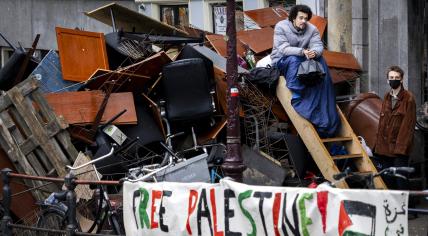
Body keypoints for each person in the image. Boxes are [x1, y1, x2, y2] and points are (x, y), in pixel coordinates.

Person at [271, 4, 340, 137]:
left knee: (321, 61)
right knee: (293, 59)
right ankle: (297, 94)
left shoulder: (312, 29)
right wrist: (302, 52)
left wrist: (314, 52)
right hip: (282, 60)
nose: (304, 21)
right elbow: (283, 49)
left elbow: (318, 45)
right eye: (301, 18)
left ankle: (324, 95)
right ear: (293, 18)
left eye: (306, 18)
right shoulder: (281, 26)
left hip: (304, 59)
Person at [373, 65, 416, 190]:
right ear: (387, 80)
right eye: (391, 77)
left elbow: (408, 127)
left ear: (401, 79)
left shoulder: (408, 98)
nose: (394, 80)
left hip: (399, 150)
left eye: (397, 77)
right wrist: (378, 146)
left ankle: (407, 208)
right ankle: (392, 208)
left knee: (401, 181)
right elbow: (382, 122)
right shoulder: (387, 96)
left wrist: (400, 150)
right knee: (388, 181)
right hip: (385, 149)